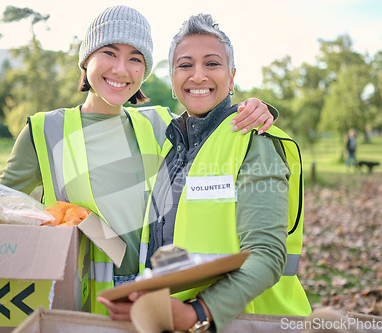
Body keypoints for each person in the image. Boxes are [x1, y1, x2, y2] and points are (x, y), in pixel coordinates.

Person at [0, 6, 276, 315]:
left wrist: (259, 109)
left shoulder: (161, 126)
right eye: (109, 53)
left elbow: (210, 120)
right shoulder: (43, 132)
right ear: (87, 58)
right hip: (77, 304)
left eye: (135, 59)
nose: (121, 69)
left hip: (149, 303)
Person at [97, 13, 312, 332]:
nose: (197, 76)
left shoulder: (255, 143)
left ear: (232, 76)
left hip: (244, 321)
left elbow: (266, 256)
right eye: (185, 65)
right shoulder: (171, 146)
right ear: (172, 79)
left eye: (212, 64)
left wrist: (198, 311)